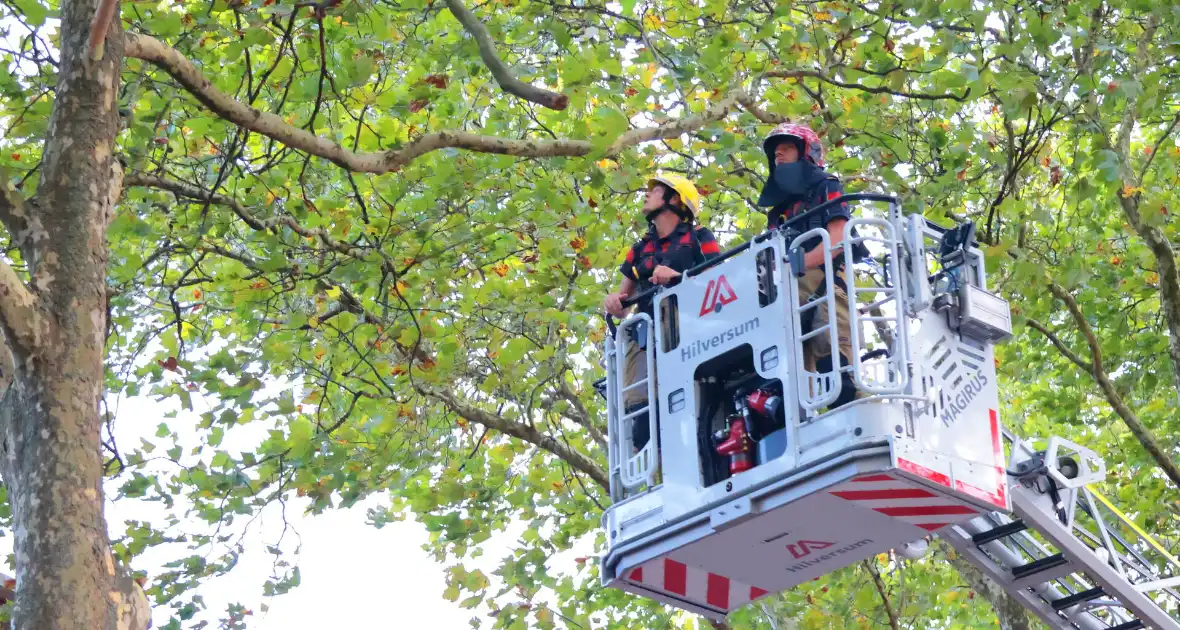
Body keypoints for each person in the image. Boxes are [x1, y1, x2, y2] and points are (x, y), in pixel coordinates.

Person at [605, 174, 721, 449]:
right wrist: (613, 302)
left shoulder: (698, 238)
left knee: (687, 399)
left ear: (675, 200)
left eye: (656, 190)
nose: (647, 195)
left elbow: (719, 280)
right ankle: (651, 446)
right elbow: (625, 302)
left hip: (687, 326)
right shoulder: (640, 249)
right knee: (640, 406)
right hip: (648, 331)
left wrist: (679, 277)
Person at [757, 122, 868, 409]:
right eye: (775, 153)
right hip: (786, 295)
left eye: (786, 149)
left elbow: (838, 236)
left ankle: (855, 415)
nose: (778, 156)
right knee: (789, 380)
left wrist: (802, 261)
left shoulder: (825, 186)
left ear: (807, 152)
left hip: (826, 283)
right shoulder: (778, 212)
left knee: (837, 368)